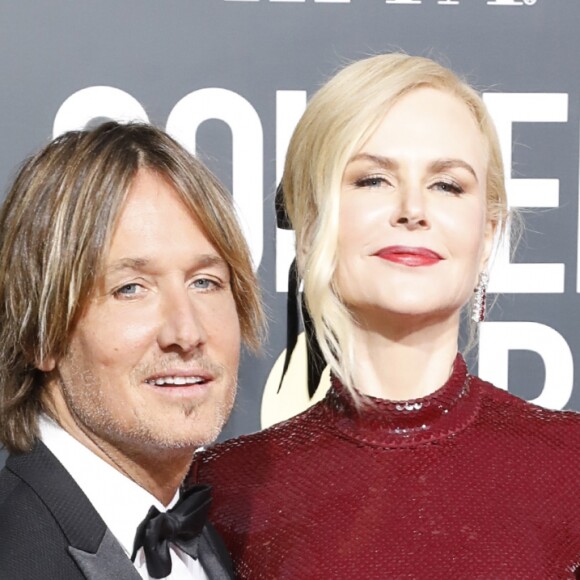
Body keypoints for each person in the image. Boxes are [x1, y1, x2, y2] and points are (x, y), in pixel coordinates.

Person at [190, 54, 580, 578]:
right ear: (308, 225)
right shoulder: (221, 492)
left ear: (488, 234)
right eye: (373, 180)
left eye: (448, 185)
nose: (412, 209)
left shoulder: (569, 467)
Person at [0, 121, 264, 580]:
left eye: (205, 282)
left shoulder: (207, 542)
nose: (186, 331)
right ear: (39, 336)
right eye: (131, 289)